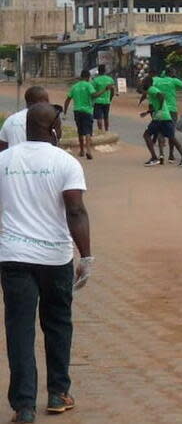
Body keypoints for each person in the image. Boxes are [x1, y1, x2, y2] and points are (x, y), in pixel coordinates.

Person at [0, 103, 92, 424]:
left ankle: (24, 406)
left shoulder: (3, 160)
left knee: (20, 329)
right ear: (52, 127)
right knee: (57, 323)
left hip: (13, 257)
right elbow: (76, 211)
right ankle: (57, 393)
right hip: (55, 258)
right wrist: (87, 257)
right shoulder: (65, 162)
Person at [63, 70, 111, 160]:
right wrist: (105, 90)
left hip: (77, 111)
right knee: (88, 131)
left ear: (81, 76)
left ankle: (81, 150)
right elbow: (94, 95)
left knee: (80, 131)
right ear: (88, 77)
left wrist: (65, 112)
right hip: (87, 111)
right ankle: (88, 150)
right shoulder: (88, 85)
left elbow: (67, 99)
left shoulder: (74, 86)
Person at [0, 86, 56, 152]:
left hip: (14, 160)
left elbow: (2, 145)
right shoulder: (44, 120)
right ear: (41, 102)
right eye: (47, 100)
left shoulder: (11, 120)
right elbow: (52, 145)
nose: (49, 104)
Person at [139, 76, 176, 167]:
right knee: (164, 135)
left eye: (143, 82)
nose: (142, 83)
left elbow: (161, 96)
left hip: (160, 117)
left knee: (147, 135)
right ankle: (162, 156)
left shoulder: (152, 89)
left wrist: (159, 109)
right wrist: (148, 112)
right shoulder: (150, 91)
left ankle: (155, 157)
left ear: (147, 83)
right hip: (162, 116)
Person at [91, 65, 115, 133]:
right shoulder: (110, 79)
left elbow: (93, 92)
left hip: (98, 101)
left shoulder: (95, 80)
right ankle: (107, 131)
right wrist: (110, 98)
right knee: (106, 117)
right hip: (107, 101)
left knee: (99, 118)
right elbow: (113, 91)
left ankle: (100, 131)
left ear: (98, 71)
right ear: (105, 71)